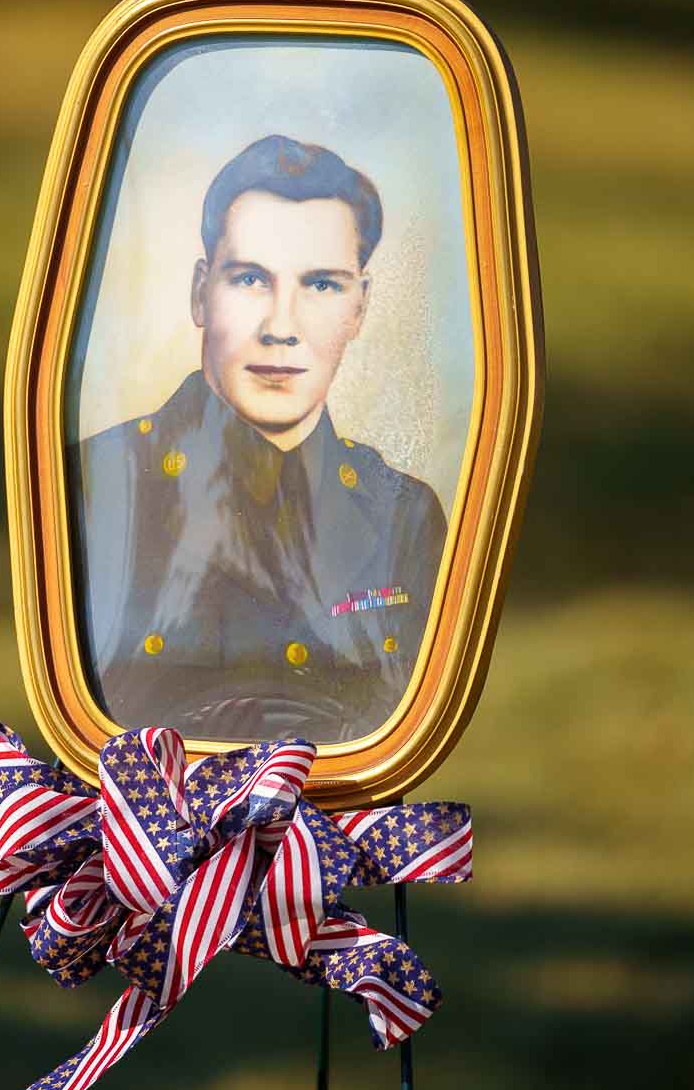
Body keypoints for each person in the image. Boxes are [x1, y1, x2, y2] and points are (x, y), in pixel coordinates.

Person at [73, 134, 447, 743]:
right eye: (250, 279)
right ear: (201, 292)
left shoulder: (403, 513)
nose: (281, 327)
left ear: (360, 308)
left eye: (322, 285)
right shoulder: (96, 480)